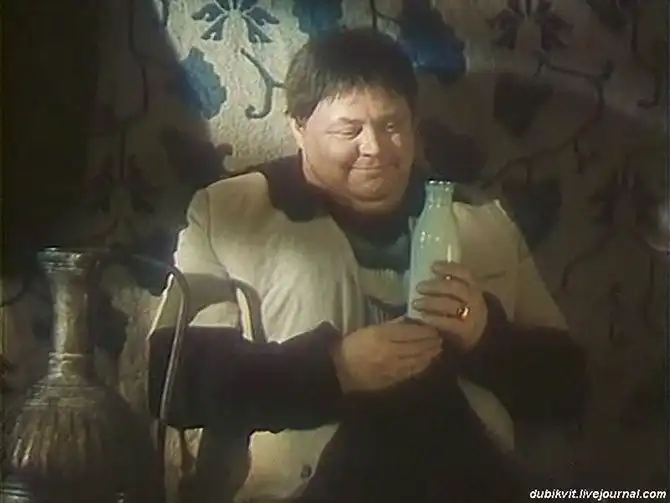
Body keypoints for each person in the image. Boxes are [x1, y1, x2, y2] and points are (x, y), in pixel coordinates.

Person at [148, 28, 587, 503]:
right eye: (349, 130)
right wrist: (334, 370)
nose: (375, 148)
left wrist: (486, 337)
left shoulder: (482, 219)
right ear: (299, 127)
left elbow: (569, 385)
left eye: (392, 125)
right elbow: (173, 379)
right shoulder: (230, 214)